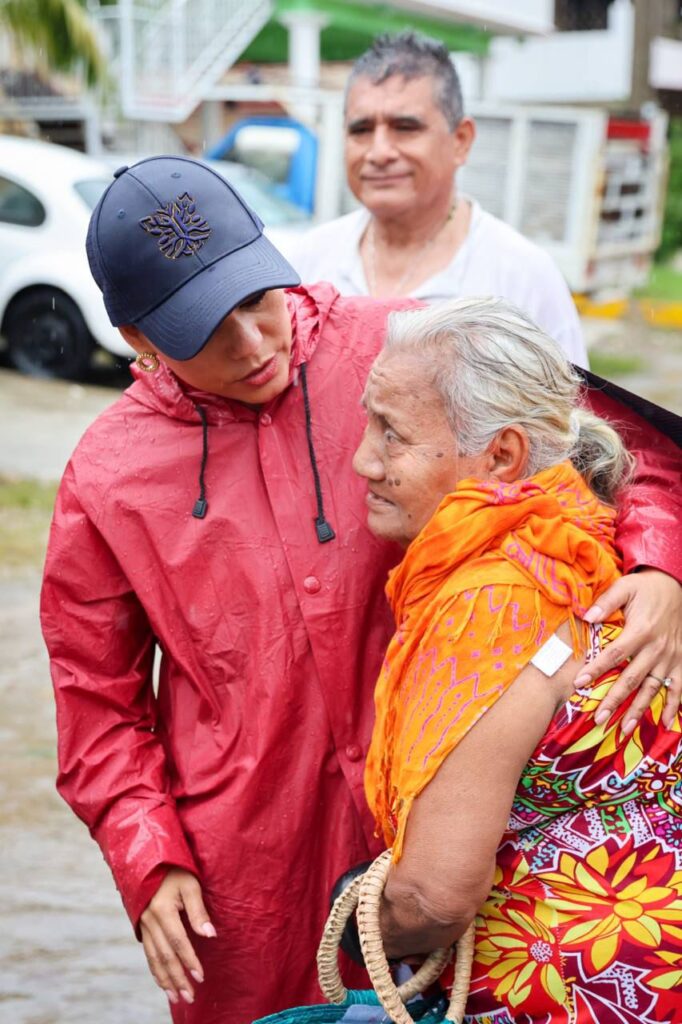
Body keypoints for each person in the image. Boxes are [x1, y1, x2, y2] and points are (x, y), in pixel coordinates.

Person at [40, 156, 682, 1024]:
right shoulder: (104, 477)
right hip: (246, 865)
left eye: (255, 301)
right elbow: (97, 705)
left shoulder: (412, 349)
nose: (254, 345)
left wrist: (657, 568)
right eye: (204, 333)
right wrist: (146, 854)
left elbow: (629, 455)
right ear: (139, 341)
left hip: (451, 824)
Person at [353, 298, 682, 1022]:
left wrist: (361, 929)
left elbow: (438, 894)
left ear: (500, 454)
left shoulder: (492, 600)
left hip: (568, 992)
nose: (363, 459)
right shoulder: (596, 538)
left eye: (393, 435)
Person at [285, 30, 587, 367]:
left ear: (461, 141)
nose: (379, 152)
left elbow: (569, 416)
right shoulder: (308, 264)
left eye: (405, 127)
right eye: (361, 130)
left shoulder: (521, 277)